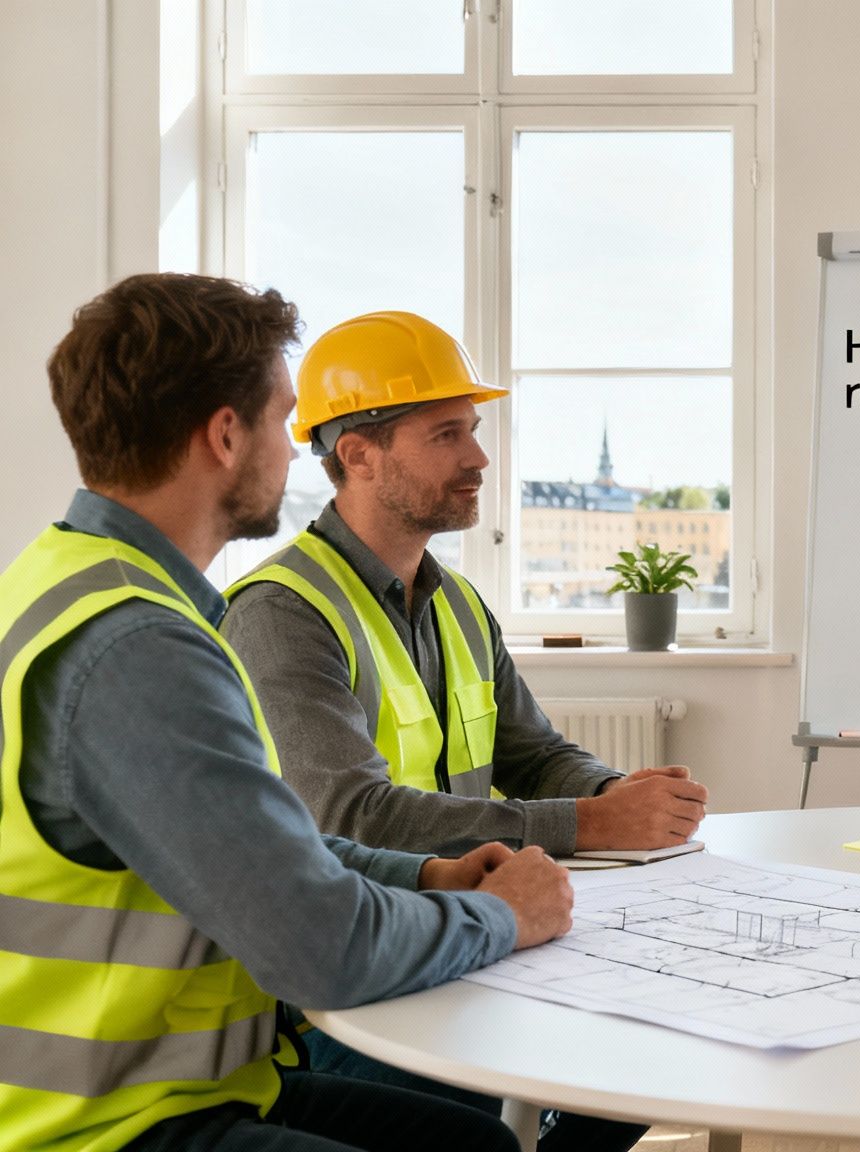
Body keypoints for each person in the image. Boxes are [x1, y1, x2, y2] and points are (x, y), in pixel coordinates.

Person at [2, 272, 574, 1152]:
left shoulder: (84, 584)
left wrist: (424, 876)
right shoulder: (139, 646)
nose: (294, 444)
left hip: (177, 1084)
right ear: (225, 435)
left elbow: (260, 846)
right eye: (282, 417)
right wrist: (506, 916)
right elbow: (321, 947)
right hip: (102, 1123)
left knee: (476, 1144)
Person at [218, 310, 695, 1151]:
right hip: (352, 987)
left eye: (473, 431)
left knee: (647, 1053)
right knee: (488, 1124)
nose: (479, 458)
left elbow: (533, 751)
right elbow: (348, 817)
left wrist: (616, 793)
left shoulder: (458, 602)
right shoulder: (282, 613)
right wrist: (587, 825)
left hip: (470, 937)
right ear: (357, 453)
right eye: (447, 434)